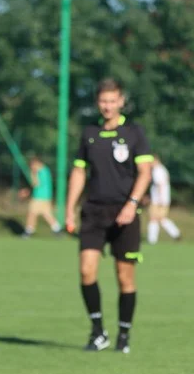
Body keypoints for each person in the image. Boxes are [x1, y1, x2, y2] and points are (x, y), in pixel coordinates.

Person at [65, 78, 153, 354]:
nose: (107, 106)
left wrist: (132, 204)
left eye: (112, 101)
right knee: (86, 271)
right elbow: (79, 172)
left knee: (124, 277)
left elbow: (145, 172)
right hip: (93, 211)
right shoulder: (89, 133)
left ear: (121, 102)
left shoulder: (134, 133)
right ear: (97, 103)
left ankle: (124, 335)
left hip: (124, 212)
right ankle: (97, 332)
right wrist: (68, 208)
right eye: (103, 101)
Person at [18, 155, 62, 238]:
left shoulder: (41, 172)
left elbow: (36, 183)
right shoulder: (46, 171)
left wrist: (33, 174)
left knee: (32, 213)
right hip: (45, 197)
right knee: (47, 214)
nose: (31, 167)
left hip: (39, 197)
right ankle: (57, 229)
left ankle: (28, 231)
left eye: (32, 165)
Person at [147, 156, 181, 244]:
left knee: (154, 218)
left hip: (158, 200)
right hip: (162, 199)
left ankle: (152, 240)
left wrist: (160, 198)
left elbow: (160, 185)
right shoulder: (162, 169)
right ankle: (176, 234)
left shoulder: (157, 170)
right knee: (161, 219)